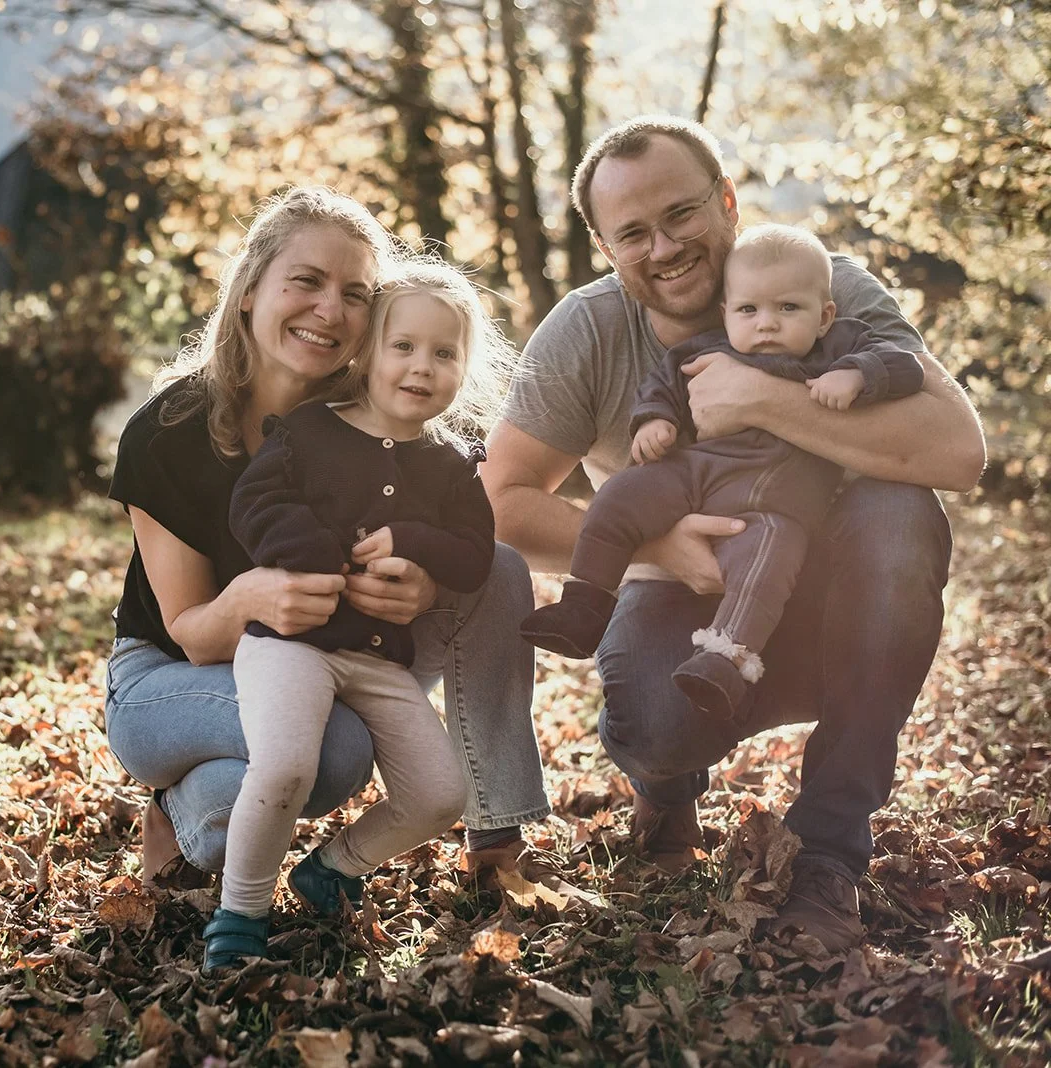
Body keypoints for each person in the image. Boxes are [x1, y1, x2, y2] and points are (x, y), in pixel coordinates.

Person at [483, 116, 984, 953]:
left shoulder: (823, 285)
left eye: (681, 213)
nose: (664, 247)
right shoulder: (589, 330)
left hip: (835, 600)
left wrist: (761, 399)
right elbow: (500, 499)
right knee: (654, 724)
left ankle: (829, 852)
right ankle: (667, 787)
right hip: (684, 601)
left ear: (726, 201)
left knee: (900, 516)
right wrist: (656, 547)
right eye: (633, 233)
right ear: (605, 246)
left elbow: (959, 451)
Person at [104, 188, 550, 908]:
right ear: (250, 290)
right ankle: (179, 812)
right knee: (334, 749)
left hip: (334, 651)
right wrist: (249, 598)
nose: (329, 310)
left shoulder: (382, 415)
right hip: (170, 677)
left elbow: (459, 537)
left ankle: (494, 831)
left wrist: (427, 584)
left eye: (355, 295)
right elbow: (191, 633)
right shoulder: (168, 432)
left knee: (495, 569)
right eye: (306, 281)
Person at [202, 261, 514, 970]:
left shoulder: (451, 464)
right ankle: (240, 911)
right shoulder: (310, 431)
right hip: (291, 643)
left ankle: (334, 866)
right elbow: (255, 504)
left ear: (464, 369)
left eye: (444, 353)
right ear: (368, 352)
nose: (422, 366)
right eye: (404, 347)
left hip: (376, 657)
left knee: (439, 794)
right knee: (286, 766)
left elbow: (473, 555)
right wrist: (315, 555)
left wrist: (414, 541)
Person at [519, 224, 924, 722]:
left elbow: (907, 367)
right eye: (749, 310)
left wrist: (859, 374)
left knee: (766, 564)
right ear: (726, 313)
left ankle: (724, 660)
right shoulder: (707, 350)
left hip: (776, 507)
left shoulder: (842, 345)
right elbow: (663, 385)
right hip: (695, 476)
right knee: (621, 494)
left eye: (788, 308)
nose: (767, 324)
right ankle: (584, 601)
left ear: (824, 316)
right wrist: (654, 421)